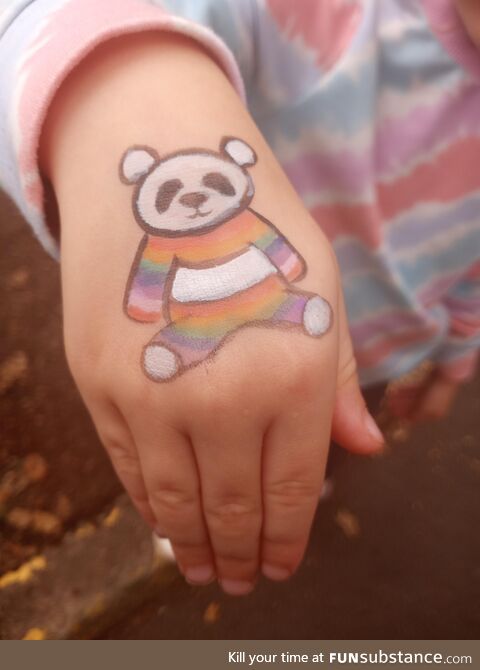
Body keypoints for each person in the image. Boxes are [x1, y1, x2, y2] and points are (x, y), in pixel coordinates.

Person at [0, 0, 479, 597]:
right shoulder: (316, 16)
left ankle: (311, 480)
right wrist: (116, 87)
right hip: (203, 327)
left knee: (323, 441)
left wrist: (459, 345)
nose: (196, 201)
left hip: (377, 354)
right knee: (211, 447)